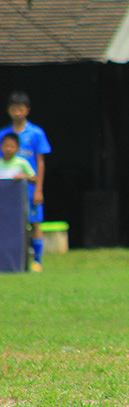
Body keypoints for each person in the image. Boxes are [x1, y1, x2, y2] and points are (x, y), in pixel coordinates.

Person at [1, 92, 51, 272]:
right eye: (13, 109)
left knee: (35, 222)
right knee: (8, 223)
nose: (17, 113)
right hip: (7, 189)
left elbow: (40, 162)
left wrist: (39, 189)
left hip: (29, 187)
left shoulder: (36, 133)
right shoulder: (4, 134)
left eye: (20, 109)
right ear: (8, 110)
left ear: (27, 110)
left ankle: (37, 260)